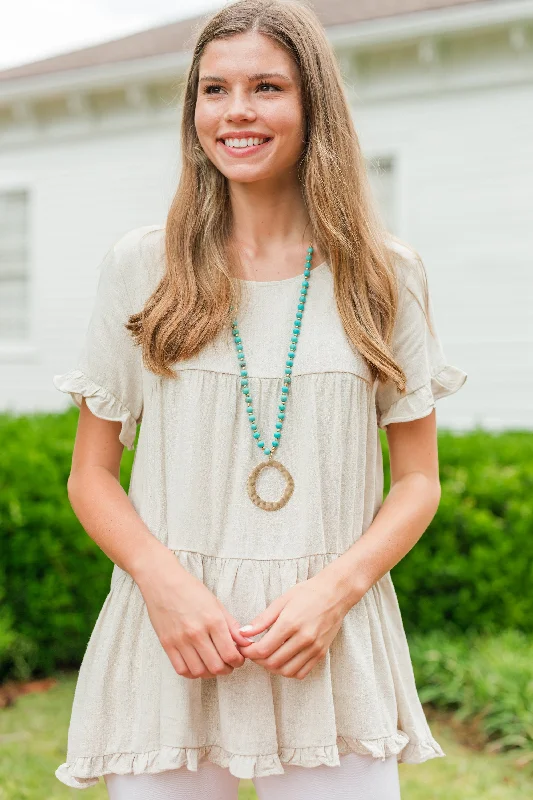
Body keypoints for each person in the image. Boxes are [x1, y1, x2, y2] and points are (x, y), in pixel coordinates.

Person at [52, 1, 468, 798]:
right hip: (171, 646)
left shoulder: (383, 275)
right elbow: (91, 475)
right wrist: (162, 584)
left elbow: (418, 480)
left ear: (314, 104)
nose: (236, 111)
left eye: (266, 87)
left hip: (329, 643)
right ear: (194, 111)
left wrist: (331, 592)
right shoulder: (143, 266)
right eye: (214, 90)